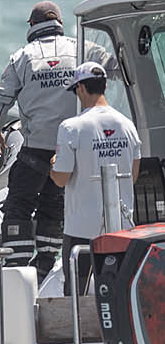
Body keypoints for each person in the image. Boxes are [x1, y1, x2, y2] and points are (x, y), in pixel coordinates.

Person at [0, 0, 114, 279]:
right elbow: (114, 63)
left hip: (34, 151)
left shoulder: (21, 57)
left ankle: (18, 270)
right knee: (54, 207)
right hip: (71, 149)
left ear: (32, 26)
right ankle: (44, 266)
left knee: (18, 206)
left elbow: (1, 99)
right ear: (59, 23)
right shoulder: (82, 49)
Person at [51, 61, 142, 295]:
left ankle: (80, 332)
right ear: (104, 87)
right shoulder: (127, 125)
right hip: (122, 229)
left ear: (80, 88)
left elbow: (60, 179)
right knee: (121, 293)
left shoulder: (71, 127)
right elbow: (133, 176)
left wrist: (53, 165)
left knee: (76, 296)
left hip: (82, 230)